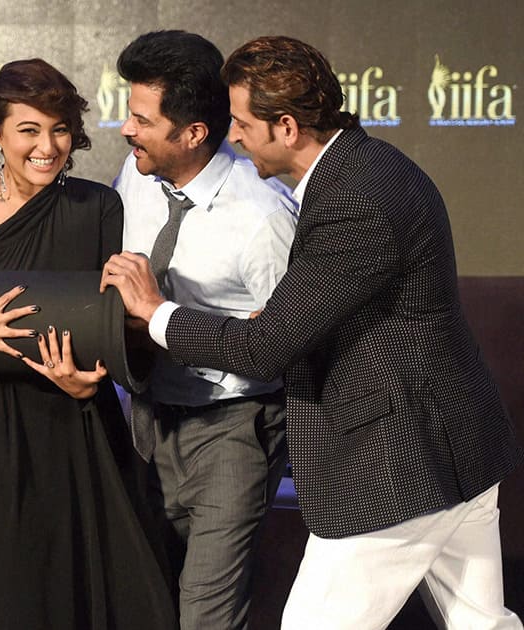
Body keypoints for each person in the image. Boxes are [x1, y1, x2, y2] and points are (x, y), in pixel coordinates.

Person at [101, 35, 523, 629]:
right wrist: (278, 325)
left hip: (397, 462)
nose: (234, 135)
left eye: (244, 123)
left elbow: (267, 348)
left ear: (288, 127)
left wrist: (155, 310)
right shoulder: (364, 168)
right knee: (483, 624)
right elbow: (327, 316)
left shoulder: (353, 198)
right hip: (451, 452)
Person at [0, 59, 176, 630]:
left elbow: (113, 325)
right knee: (5, 598)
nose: (47, 147)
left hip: (78, 426)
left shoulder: (98, 207)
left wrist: (88, 378)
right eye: (29, 130)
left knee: (92, 592)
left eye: (60, 129)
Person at [112, 30, 297, 629]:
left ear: (192, 133)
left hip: (232, 429)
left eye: (141, 119)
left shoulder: (262, 217)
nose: (125, 130)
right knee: (150, 600)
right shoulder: (134, 174)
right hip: (145, 420)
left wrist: (164, 312)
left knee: (206, 616)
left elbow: (285, 347)